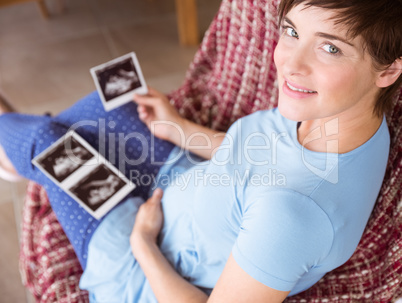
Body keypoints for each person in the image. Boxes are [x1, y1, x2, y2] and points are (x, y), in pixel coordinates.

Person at [0, 0, 401, 301]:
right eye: (292, 31)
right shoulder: (349, 117)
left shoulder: (292, 216)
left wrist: (142, 244)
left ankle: (13, 151)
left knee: (49, 143)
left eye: (330, 48)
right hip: (181, 181)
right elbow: (262, 157)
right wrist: (180, 129)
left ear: (389, 70)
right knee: (110, 104)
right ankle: (20, 155)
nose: (289, 63)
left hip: (139, 260)